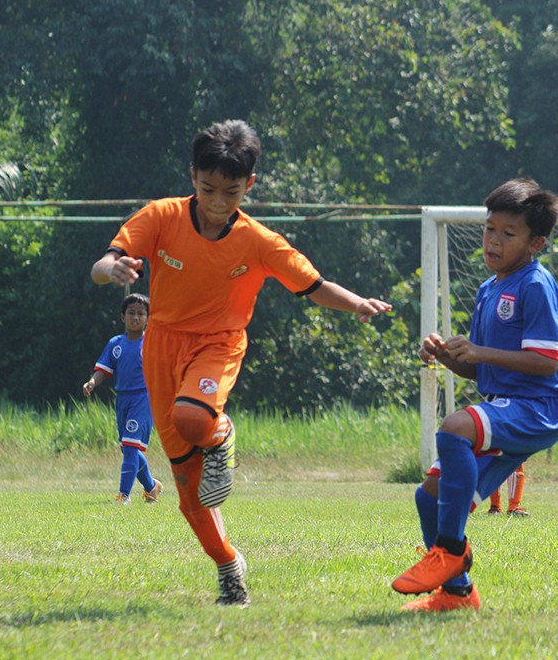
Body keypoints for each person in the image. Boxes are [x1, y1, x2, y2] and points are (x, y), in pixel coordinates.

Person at [89, 119, 392, 607]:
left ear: (248, 185)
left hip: (219, 344)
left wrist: (356, 302)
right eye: (207, 188)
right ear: (193, 177)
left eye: (230, 192)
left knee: (194, 418)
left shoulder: (258, 241)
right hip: (162, 346)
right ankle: (229, 565)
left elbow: (313, 287)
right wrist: (114, 270)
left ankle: (221, 436)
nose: (216, 202)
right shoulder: (161, 216)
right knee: (190, 491)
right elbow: (105, 263)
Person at [392, 178, 558, 612]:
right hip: (505, 405)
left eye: (508, 233)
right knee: (429, 497)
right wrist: (447, 356)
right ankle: (457, 593)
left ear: (536, 242)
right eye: (489, 228)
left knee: (454, 427)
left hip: (541, 407)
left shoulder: (535, 284)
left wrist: (478, 350)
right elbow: (483, 371)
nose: (493, 241)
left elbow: (546, 362)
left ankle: (451, 548)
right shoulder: (488, 289)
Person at [82, 292, 162, 506]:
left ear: (148, 318)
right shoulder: (115, 343)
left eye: (141, 314)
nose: (136, 317)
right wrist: (92, 382)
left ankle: (123, 496)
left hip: (144, 398)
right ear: (122, 317)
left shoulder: (152, 343)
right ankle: (151, 487)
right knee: (129, 448)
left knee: (130, 445)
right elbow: (103, 369)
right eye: (131, 313)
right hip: (123, 399)